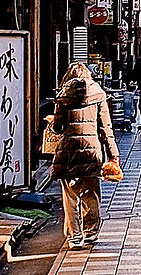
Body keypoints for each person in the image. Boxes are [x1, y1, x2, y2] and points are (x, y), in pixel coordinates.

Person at [50, 62, 118, 248]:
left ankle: (74, 237)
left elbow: (58, 127)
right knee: (91, 193)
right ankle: (90, 232)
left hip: (68, 152)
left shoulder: (63, 96)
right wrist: (114, 154)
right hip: (91, 152)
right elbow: (106, 128)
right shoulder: (98, 94)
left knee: (70, 196)